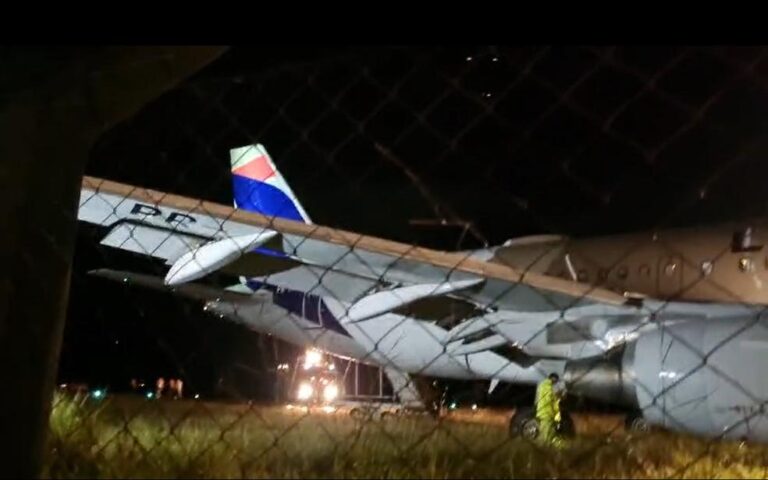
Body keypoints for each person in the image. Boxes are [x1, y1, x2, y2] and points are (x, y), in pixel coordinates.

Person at [535, 372, 565, 448]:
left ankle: (558, 447)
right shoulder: (547, 387)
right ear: (553, 378)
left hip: (543, 413)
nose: (556, 382)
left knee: (549, 432)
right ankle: (544, 448)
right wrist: (557, 396)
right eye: (556, 380)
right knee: (546, 434)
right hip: (547, 413)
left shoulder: (542, 385)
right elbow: (549, 399)